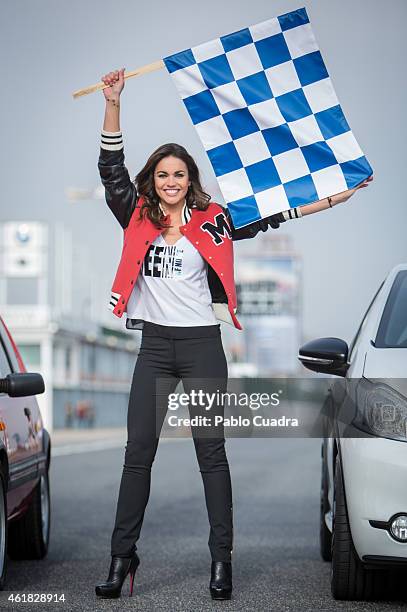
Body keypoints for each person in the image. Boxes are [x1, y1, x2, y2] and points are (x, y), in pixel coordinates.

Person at [94, 68, 372, 601]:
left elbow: (275, 212)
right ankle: (121, 556)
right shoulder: (135, 217)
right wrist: (113, 103)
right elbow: (110, 167)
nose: (170, 182)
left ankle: (222, 562)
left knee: (211, 457)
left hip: (202, 348)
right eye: (162, 175)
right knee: (138, 458)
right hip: (153, 348)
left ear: (189, 179)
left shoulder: (215, 220)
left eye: (179, 174)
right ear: (151, 180)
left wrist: (336, 195)